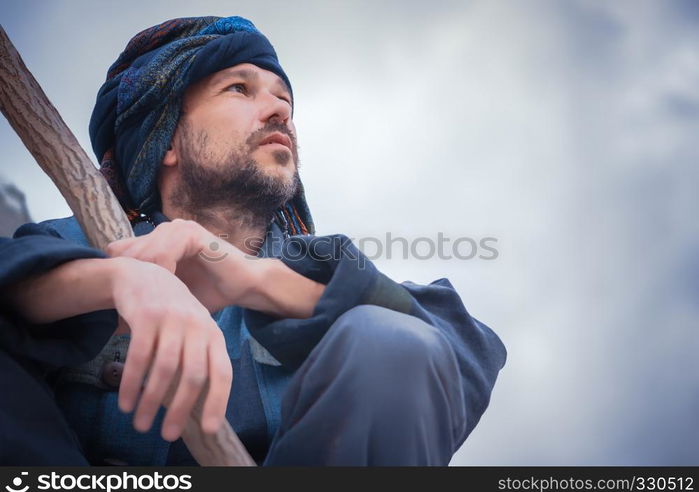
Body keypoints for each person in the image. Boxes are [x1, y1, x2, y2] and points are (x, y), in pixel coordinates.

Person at [0, 15, 506, 466]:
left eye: (283, 99)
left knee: (394, 341)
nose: (278, 111)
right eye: (239, 89)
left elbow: (460, 351)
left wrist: (249, 280)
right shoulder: (74, 244)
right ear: (165, 140)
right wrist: (118, 279)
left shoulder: (318, 265)